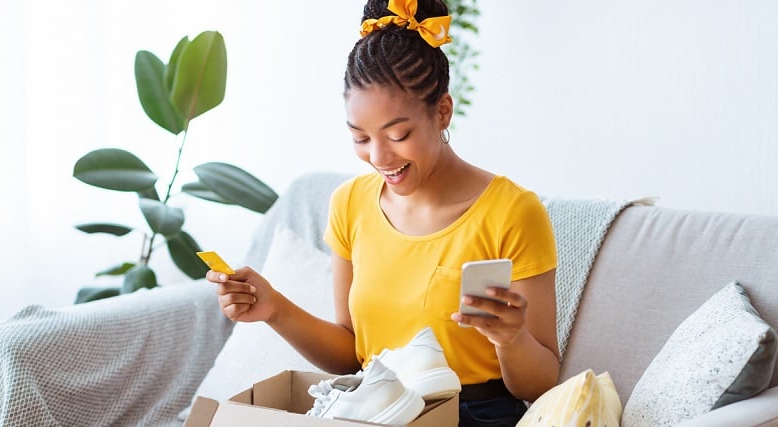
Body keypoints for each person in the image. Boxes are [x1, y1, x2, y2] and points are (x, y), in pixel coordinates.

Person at [208, 0, 560, 425]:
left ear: (443, 111)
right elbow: (351, 352)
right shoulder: (349, 203)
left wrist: (511, 338)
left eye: (398, 134)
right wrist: (274, 309)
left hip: (470, 413)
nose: (379, 156)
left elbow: (541, 384)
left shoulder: (512, 211)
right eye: (360, 138)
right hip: (376, 407)